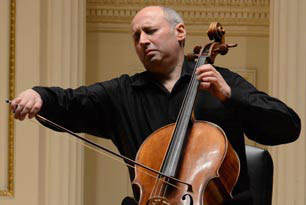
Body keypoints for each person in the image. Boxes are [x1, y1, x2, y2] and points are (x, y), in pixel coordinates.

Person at [10, 6, 300, 205]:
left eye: (150, 31)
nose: (142, 41)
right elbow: (72, 101)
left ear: (180, 32)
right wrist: (40, 96)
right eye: (136, 36)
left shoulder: (220, 82)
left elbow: (287, 126)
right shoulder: (122, 93)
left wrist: (231, 97)